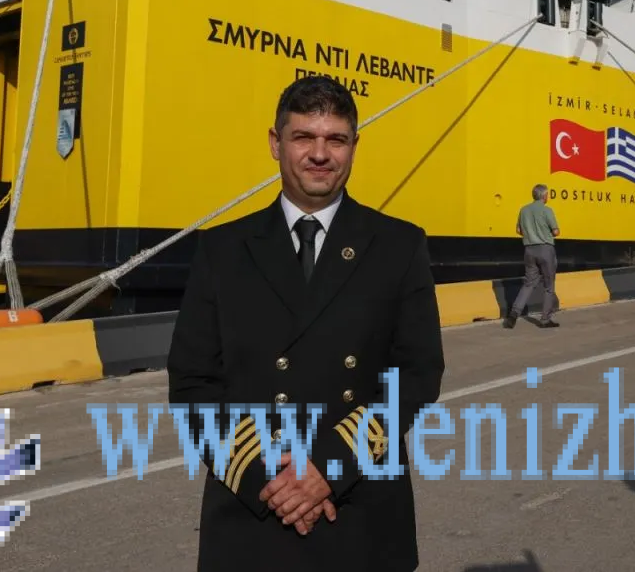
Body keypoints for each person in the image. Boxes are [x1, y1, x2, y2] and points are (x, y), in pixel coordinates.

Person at [167, 75, 445, 572]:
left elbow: (417, 374)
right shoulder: (222, 250)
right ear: (276, 144)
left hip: (360, 510)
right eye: (304, 137)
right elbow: (194, 381)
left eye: (336, 139)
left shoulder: (399, 246)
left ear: (354, 147)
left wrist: (328, 470)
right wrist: (269, 484)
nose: (320, 154)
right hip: (253, 511)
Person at [503, 184, 560, 329]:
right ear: (544, 196)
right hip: (545, 249)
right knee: (549, 286)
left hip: (529, 250)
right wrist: (546, 233)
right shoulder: (547, 210)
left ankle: (513, 315)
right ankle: (545, 319)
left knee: (529, 284)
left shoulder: (524, 210)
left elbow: (518, 230)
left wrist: (530, 234)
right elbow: (556, 231)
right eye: (547, 194)